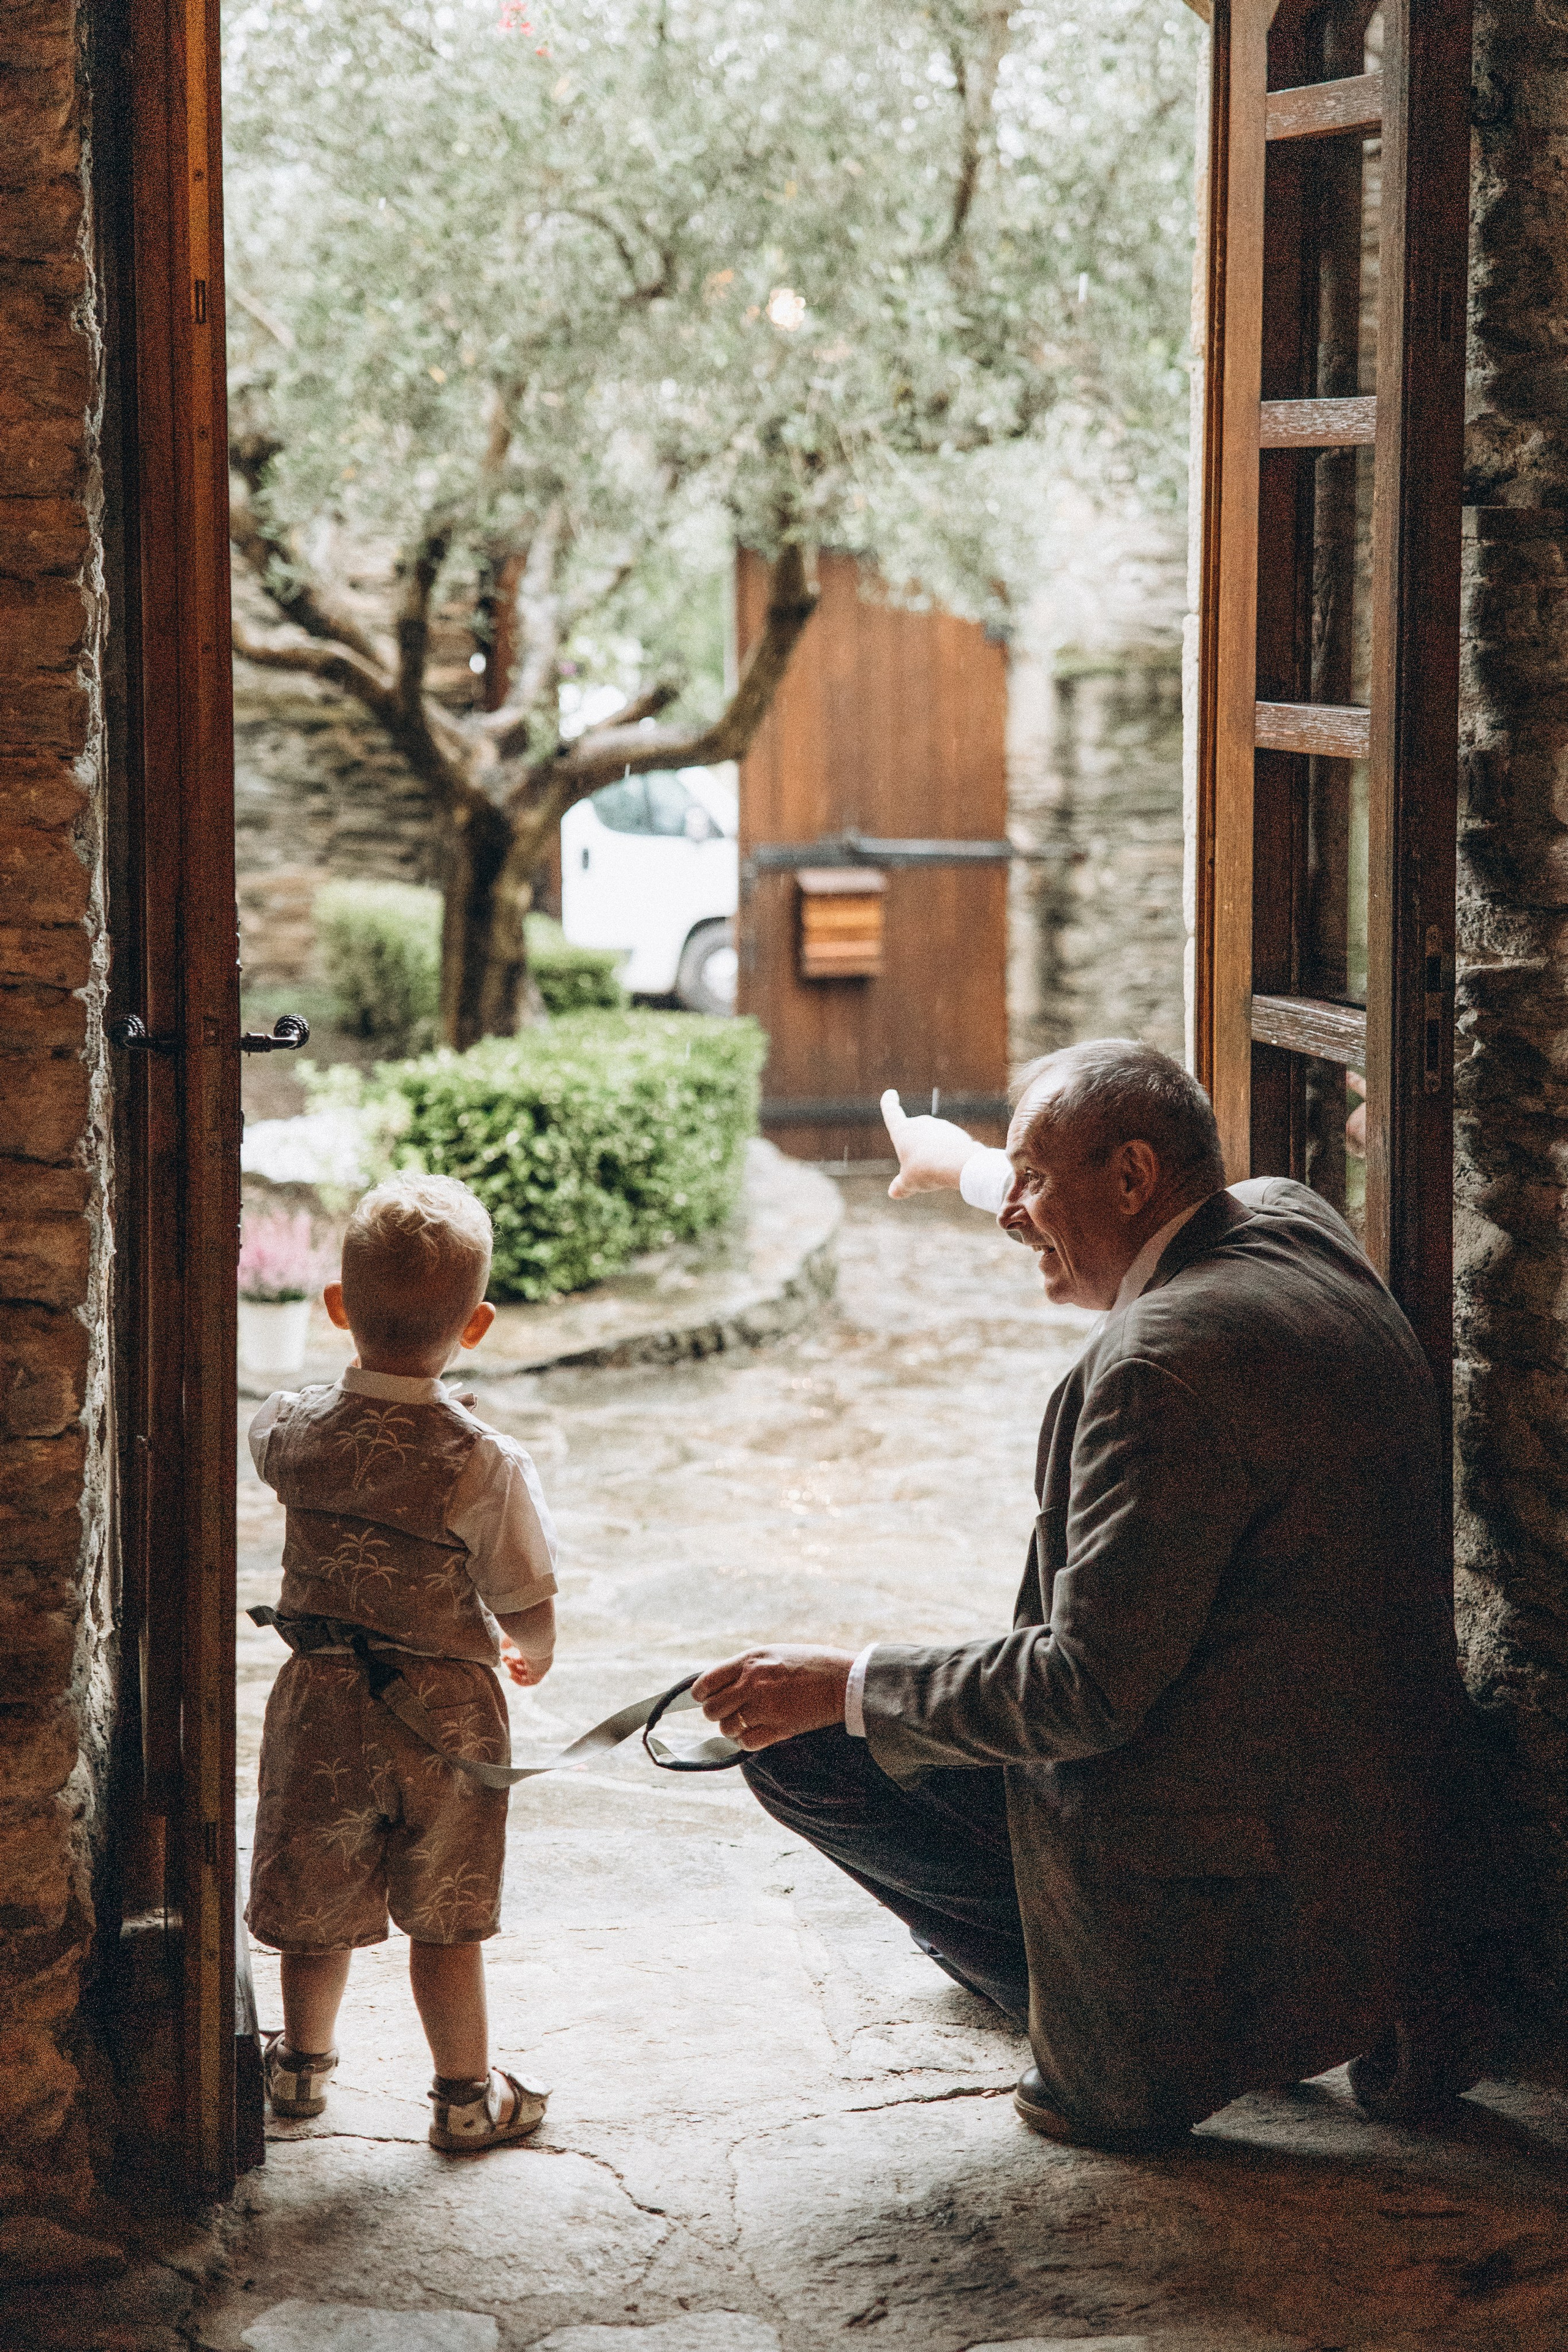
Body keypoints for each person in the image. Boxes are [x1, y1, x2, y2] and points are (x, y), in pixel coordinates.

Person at [693, 1039, 1479, 2152]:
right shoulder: (1296, 1221)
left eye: (1031, 1182)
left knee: (803, 1744)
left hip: (1244, 1866)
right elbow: (1111, 1213)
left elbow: (1082, 1689)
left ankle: (1114, 2018)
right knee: (893, 1715)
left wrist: (843, 1683)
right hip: (1382, 1829)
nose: (1013, 1211)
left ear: (1131, 1180)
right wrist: (969, 1167)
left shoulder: (1158, 1365)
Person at [246, 1174, 560, 2154]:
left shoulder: (286, 1428)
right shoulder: (484, 1461)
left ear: (337, 1308)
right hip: (446, 1722)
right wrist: (533, 1649)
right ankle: (465, 2098)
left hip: (323, 1702)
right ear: (478, 1326)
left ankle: (300, 2071)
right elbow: (523, 1594)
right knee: (446, 1913)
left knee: (317, 1904)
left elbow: (319, 1440)